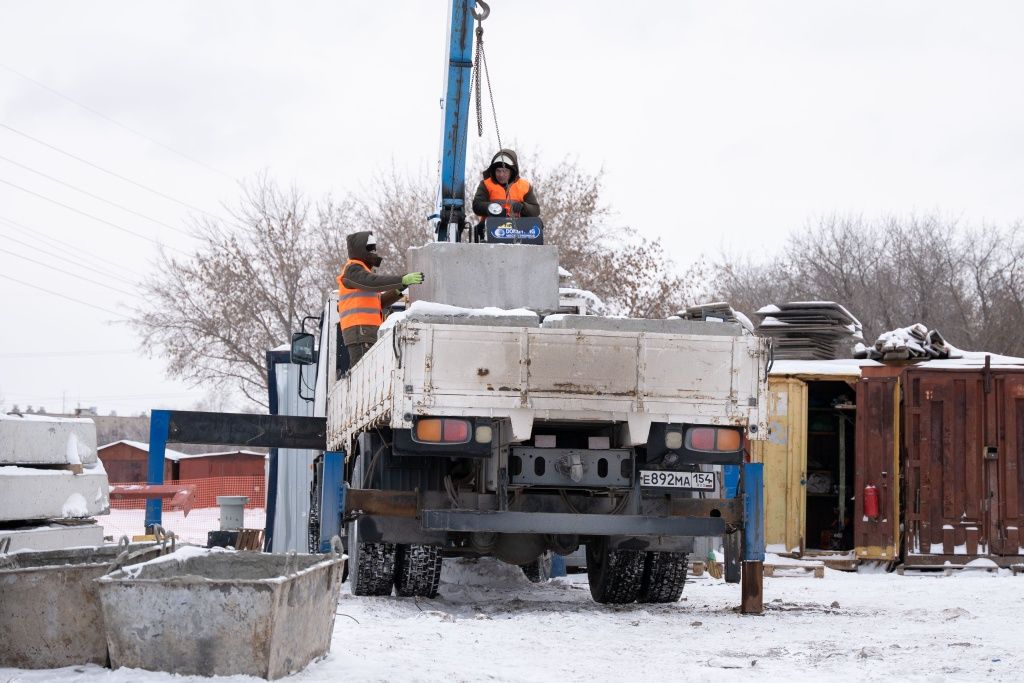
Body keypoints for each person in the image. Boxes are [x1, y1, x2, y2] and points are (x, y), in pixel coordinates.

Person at [337, 230, 423, 368]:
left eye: (374, 248)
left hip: (367, 332)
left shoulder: (363, 271)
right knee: (363, 374)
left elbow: (378, 303)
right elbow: (372, 282)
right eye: (370, 248)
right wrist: (401, 280)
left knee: (368, 374)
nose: (374, 251)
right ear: (360, 250)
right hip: (360, 332)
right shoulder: (353, 270)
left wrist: (399, 289)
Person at [470, 149, 540, 240]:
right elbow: (477, 206)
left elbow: (535, 210)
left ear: (512, 171)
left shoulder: (525, 186)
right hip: (491, 230)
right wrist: (494, 209)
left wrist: (523, 207)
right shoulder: (486, 184)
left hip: (519, 231)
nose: (501, 175)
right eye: (498, 171)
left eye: (505, 171)